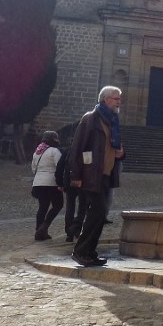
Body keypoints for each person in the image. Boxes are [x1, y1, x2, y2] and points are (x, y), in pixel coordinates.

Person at [68, 86, 125, 267]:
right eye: (116, 99)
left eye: (119, 99)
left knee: (100, 214)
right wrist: (76, 175)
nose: (119, 102)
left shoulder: (112, 121)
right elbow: (77, 148)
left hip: (106, 174)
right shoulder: (91, 119)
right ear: (106, 99)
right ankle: (80, 251)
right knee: (98, 211)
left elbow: (116, 148)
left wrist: (121, 153)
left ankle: (90, 252)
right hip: (92, 174)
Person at [31, 131, 63, 241]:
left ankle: (38, 230)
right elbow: (59, 166)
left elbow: (33, 168)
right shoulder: (54, 151)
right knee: (58, 205)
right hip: (51, 183)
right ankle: (43, 228)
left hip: (38, 183)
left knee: (42, 207)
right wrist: (61, 182)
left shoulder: (37, 152)